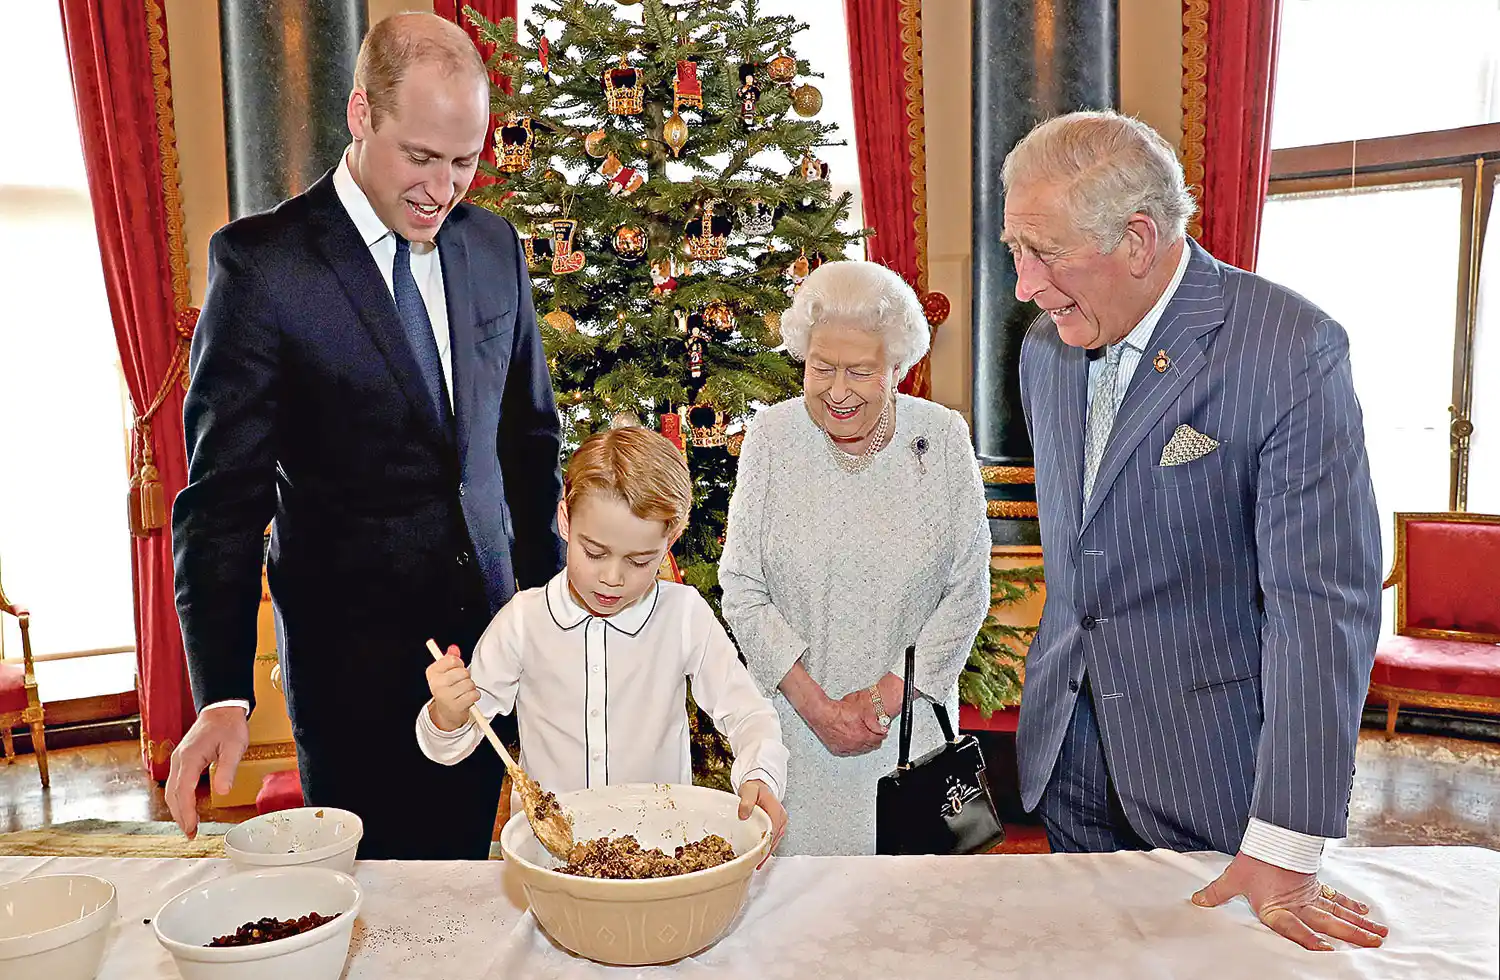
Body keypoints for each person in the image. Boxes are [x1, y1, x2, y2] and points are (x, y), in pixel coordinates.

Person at [166, 13, 566, 860]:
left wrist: (552, 613)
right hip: (355, 679)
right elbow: (222, 502)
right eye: (420, 157)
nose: (443, 187)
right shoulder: (264, 267)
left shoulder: (493, 246)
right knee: (376, 917)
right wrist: (222, 694)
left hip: (490, 654)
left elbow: (529, 443)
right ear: (359, 116)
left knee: (468, 888)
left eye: (464, 162)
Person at [1004, 110, 1389, 949]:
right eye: (1014, 251)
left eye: (1045, 254)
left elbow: (1322, 608)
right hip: (1067, 753)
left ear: (1138, 240)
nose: (1025, 285)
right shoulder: (1044, 348)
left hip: (1211, 776)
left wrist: (1286, 841)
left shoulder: (1290, 348)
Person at [718, 261, 991, 856]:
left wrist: (879, 700)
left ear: (898, 368)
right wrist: (816, 707)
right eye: (822, 368)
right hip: (791, 734)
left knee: (906, 923)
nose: (838, 392)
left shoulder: (941, 438)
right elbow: (740, 585)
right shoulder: (771, 436)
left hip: (904, 742)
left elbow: (967, 587)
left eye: (861, 372)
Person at [418, 427, 789, 846]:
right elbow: (453, 743)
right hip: (551, 857)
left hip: (658, 851)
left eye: (638, 560)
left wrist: (760, 772)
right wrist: (448, 714)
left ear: (670, 541)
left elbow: (749, 712)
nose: (612, 579)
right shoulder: (523, 620)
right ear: (565, 521)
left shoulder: (682, 615)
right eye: (594, 552)